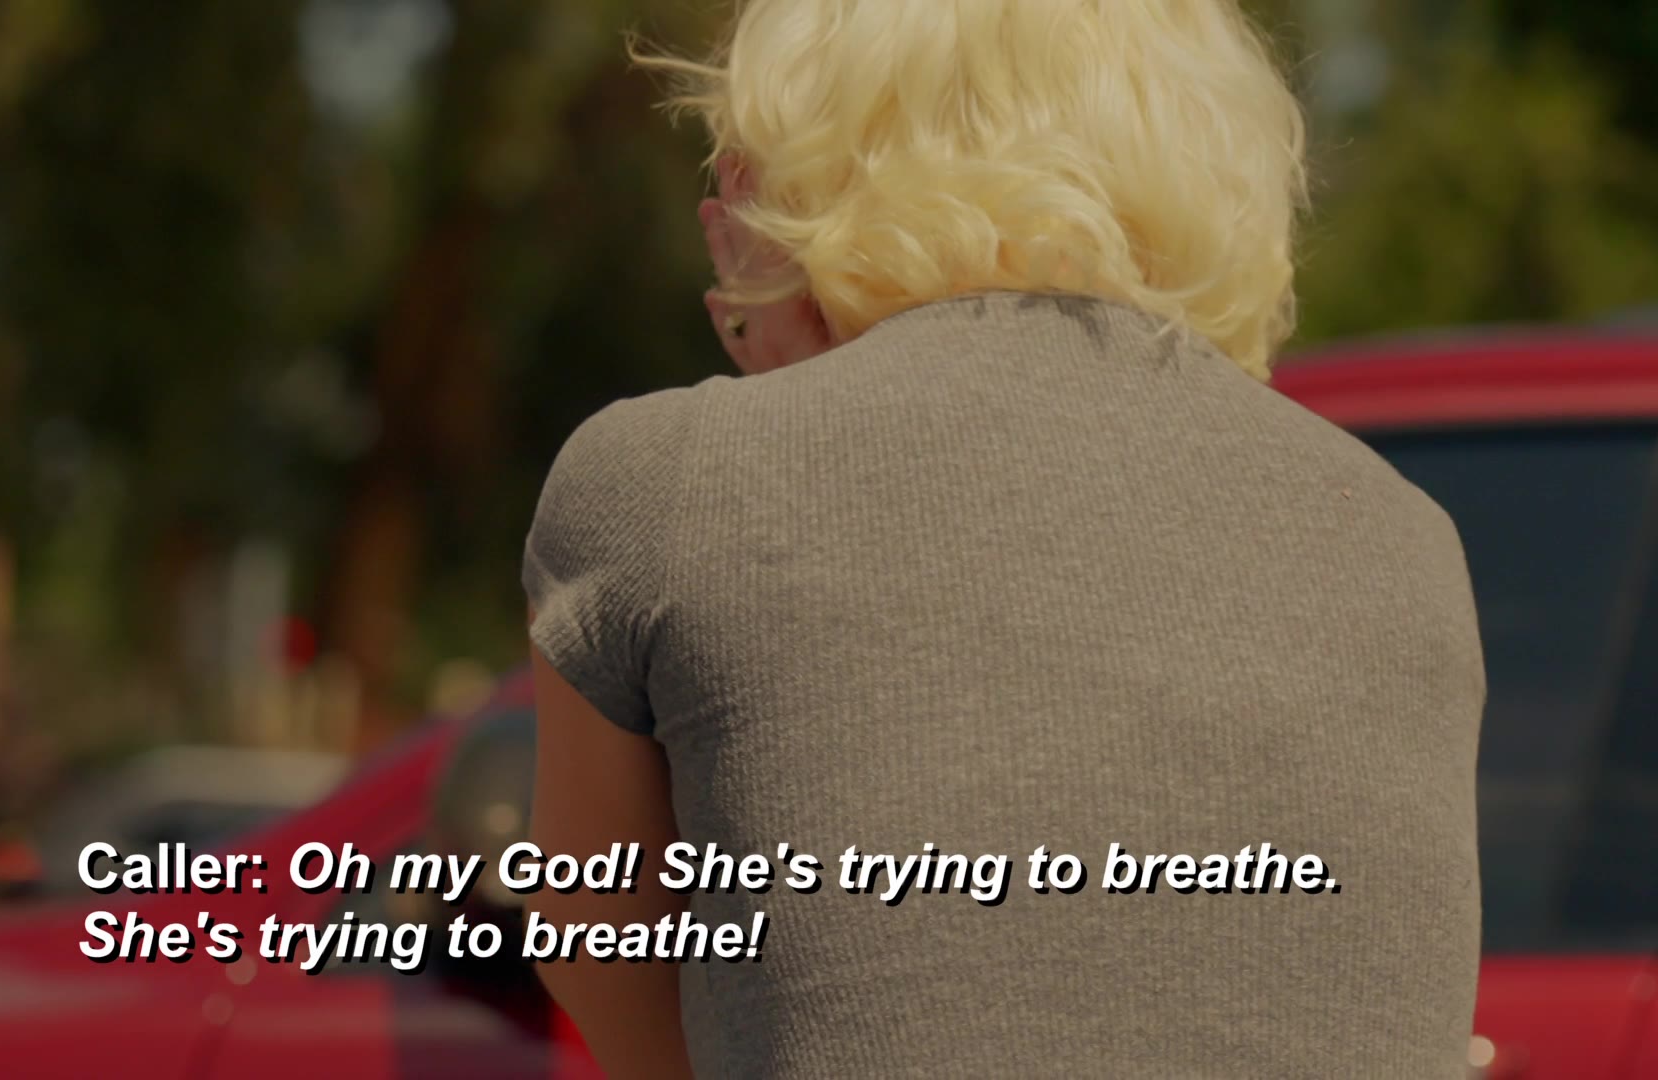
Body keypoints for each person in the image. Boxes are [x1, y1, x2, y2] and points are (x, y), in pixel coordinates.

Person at [522, 2, 1485, 1077]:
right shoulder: (1406, 535)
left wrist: (781, 327)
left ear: (805, 173)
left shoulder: (664, 484)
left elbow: (610, 959)